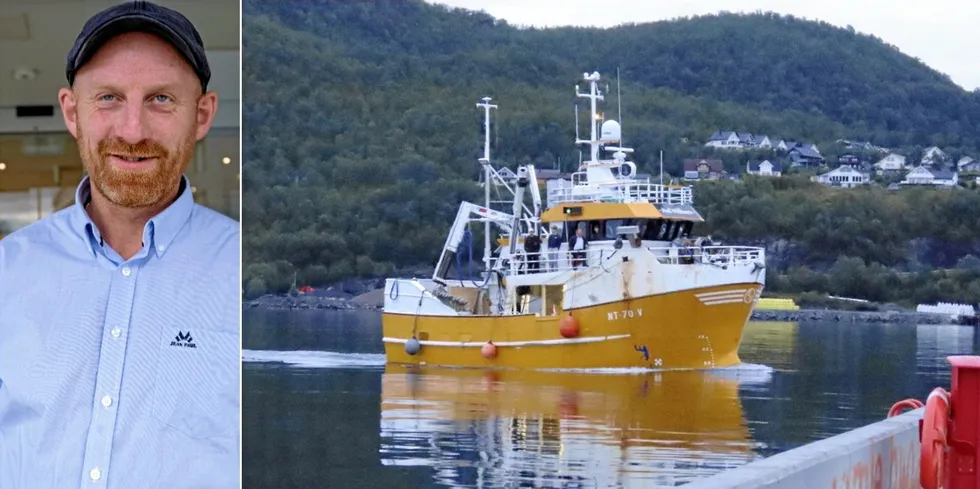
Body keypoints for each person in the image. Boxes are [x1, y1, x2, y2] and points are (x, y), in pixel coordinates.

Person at [0, 2, 240, 488]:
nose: (132, 131)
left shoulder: (243, 272)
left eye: (161, 100)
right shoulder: (8, 270)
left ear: (202, 115)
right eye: (108, 98)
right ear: (72, 111)